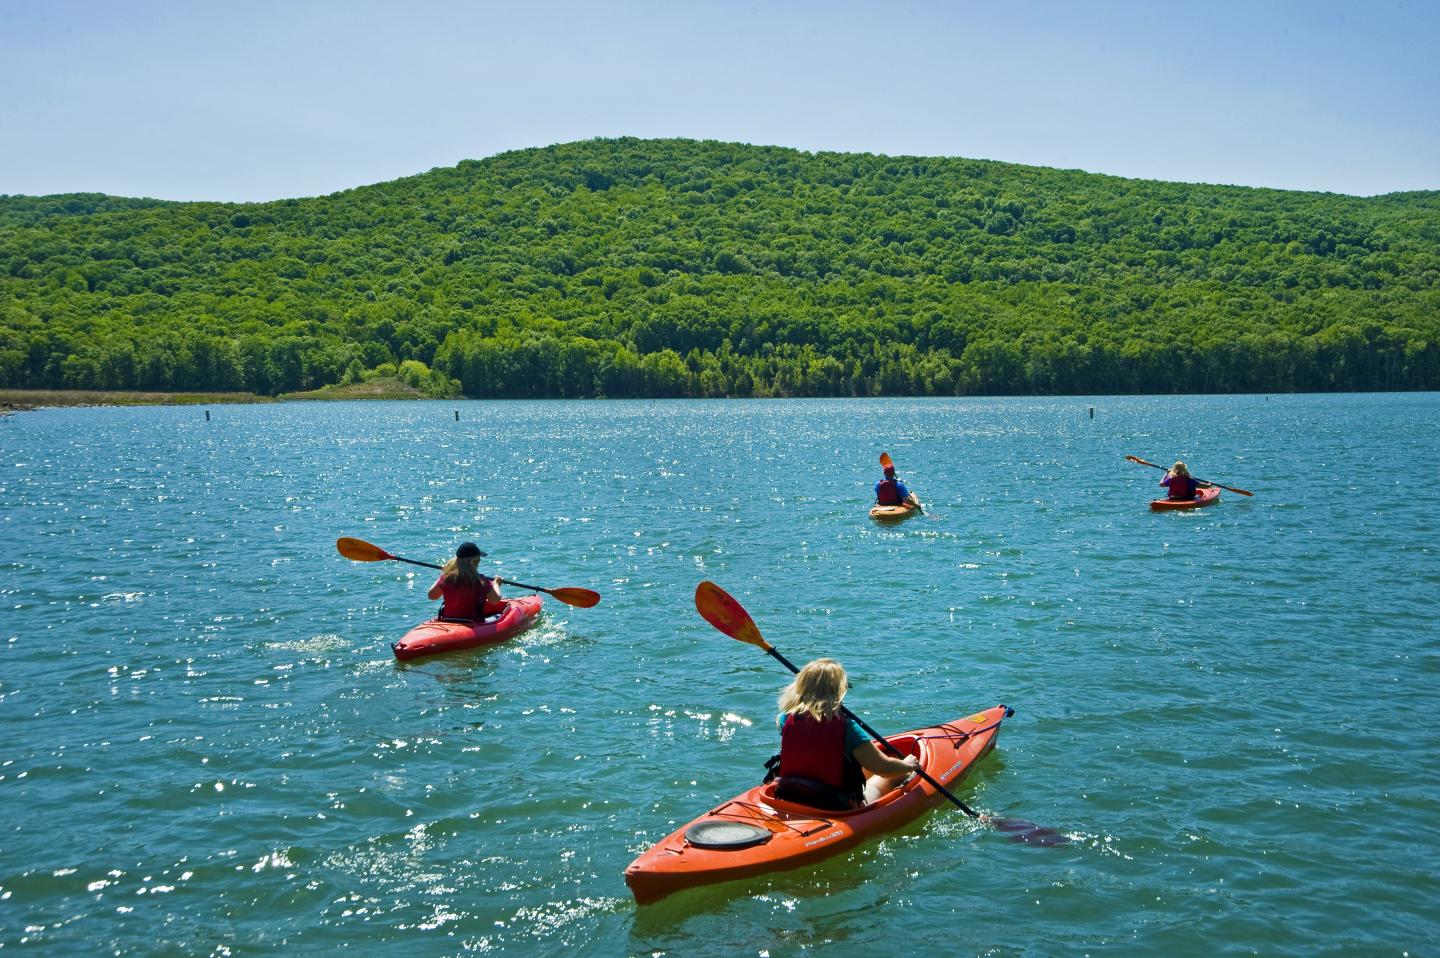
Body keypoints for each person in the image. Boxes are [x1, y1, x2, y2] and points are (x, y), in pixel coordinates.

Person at [773, 658, 919, 810]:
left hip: (791, 795)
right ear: (839, 691)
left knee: (859, 767)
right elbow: (884, 769)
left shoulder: (784, 719)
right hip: (835, 805)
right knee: (898, 772)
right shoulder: (847, 727)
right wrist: (907, 765)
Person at [427, 542, 504, 620]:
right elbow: (495, 600)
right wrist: (496, 584)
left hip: (448, 620)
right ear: (474, 562)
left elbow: (432, 596)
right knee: (498, 615)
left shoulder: (446, 578)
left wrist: (444, 574)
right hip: (472, 622)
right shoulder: (481, 580)